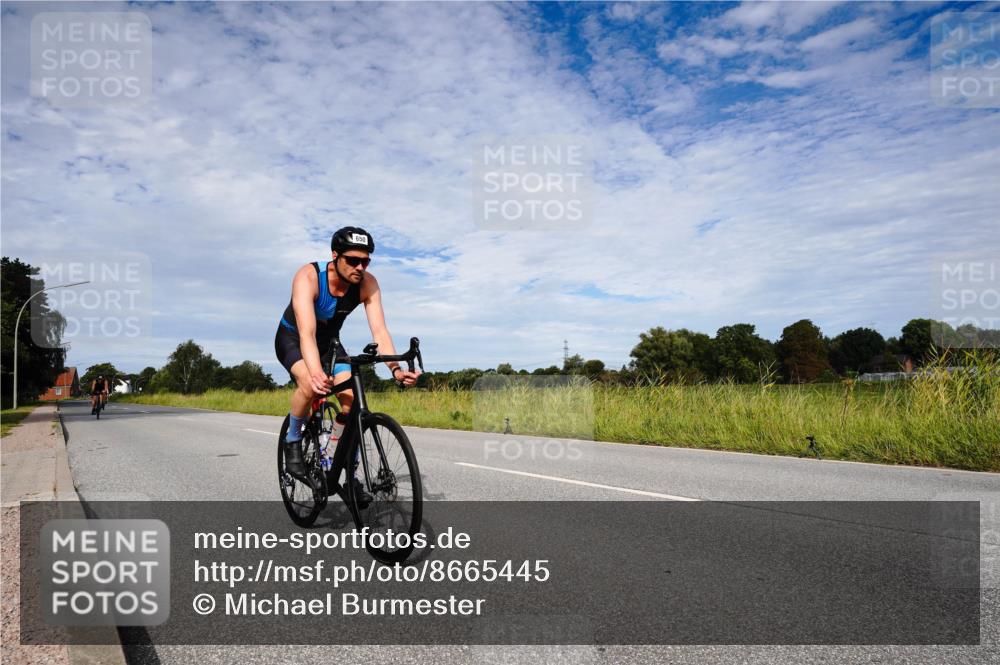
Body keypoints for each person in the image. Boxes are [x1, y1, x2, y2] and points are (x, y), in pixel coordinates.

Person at [274, 226, 420, 493]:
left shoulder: (367, 284)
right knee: (309, 383)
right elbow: (307, 333)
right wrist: (316, 373)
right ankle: (292, 440)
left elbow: (380, 331)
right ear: (335, 256)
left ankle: (338, 460)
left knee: (352, 403)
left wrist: (396, 369)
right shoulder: (308, 276)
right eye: (353, 260)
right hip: (294, 338)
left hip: (329, 343)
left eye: (365, 261)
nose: (360, 267)